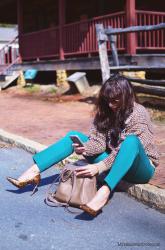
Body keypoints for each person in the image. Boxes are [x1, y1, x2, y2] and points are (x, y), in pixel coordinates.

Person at [7, 74, 159, 217]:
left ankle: (104, 193)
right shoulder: (105, 111)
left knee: (130, 141)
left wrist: (98, 167)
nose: (111, 105)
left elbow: (124, 150)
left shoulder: (138, 113)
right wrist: (85, 148)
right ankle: (34, 172)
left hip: (139, 169)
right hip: (113, 163)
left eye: (115, 101)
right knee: (74, 137)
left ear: (126, 97)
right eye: (107, 100)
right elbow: (99, 143)